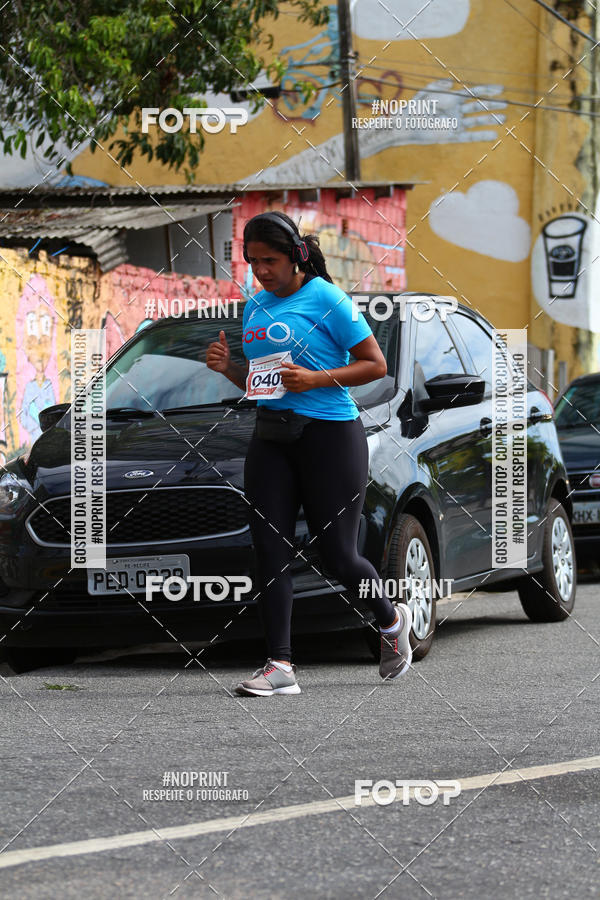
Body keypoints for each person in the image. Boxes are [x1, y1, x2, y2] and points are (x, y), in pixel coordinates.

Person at [206, 211, 412, 696]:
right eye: (253, 261)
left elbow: (375, 365)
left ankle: (390, 621)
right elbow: (266, 385)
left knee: (338, 555)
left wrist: (317, 378)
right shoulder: (254, 306)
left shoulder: (326, 298)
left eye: (270, 260)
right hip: (272, 436)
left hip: (330, 435)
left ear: (296, 256)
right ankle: (279, 665)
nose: (261, 271)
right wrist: (229, 369)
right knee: (269, 552)